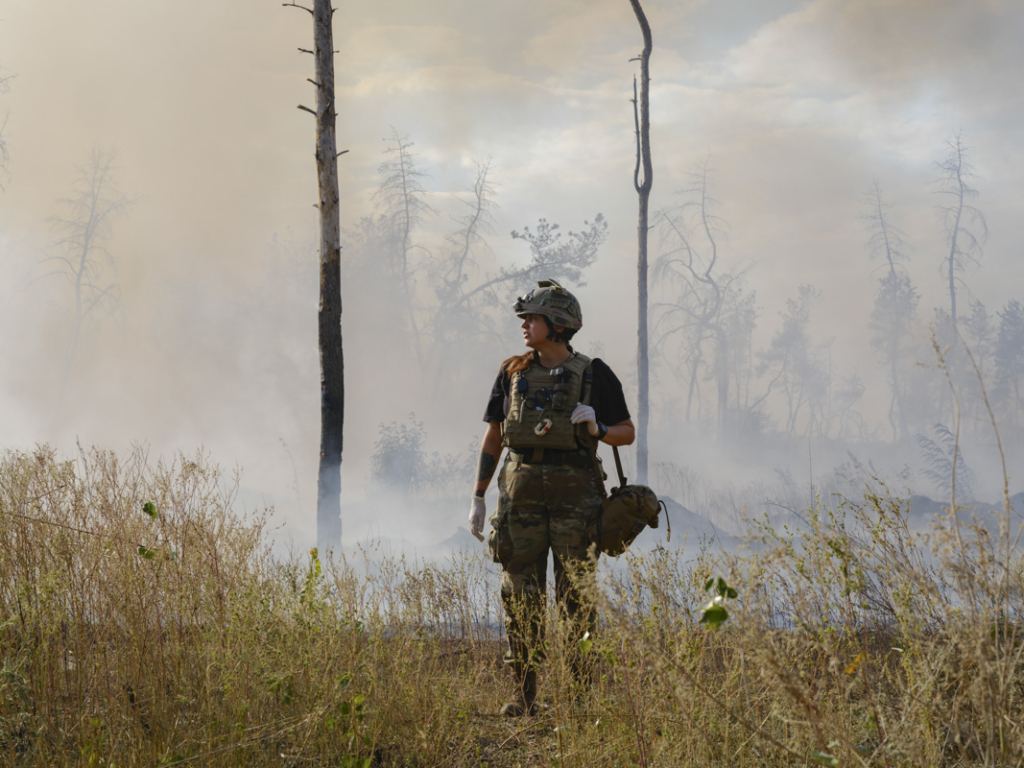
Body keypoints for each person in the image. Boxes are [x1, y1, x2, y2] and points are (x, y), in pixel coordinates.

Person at [468, 278, 635, 716]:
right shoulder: (512, 372)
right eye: (524, 318)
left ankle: (579, 701)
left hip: (576, 502)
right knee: (519, 596)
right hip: (518, 499)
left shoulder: (595, 374)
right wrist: (479, 496)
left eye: (533, 318)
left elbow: (627, 433)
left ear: (558, 324)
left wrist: (598, 427)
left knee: (576, 598)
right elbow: (493, 437)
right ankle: (524, 698)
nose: (524, 325)